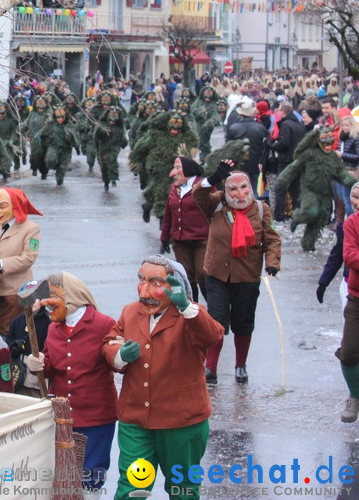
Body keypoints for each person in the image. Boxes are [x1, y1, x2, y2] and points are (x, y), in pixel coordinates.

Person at [103, 255, 223, 500]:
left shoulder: (192, 316)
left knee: (183, 490)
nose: (144, 290)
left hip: (181, 425)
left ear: (175, 287)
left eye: (155, 283)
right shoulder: (130, 312)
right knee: (132, 489)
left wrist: (186, 307)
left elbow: (212, 337)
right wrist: (119, 355)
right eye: (141, 280)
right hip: (136, 423)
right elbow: (109, 343)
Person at [24, 272, 116, 490]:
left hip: (96, 416)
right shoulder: (53, 328)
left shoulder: (104, 324)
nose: (46, 304)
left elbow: (116, 362)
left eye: (52, 297)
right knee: (64, 474)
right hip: (63, 416)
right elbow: (52, 366)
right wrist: (37, 363)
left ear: (71, 297)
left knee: (91, 474)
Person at [195, 160, 281, 384]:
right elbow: (198, 195)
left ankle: (240, 365)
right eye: (233, 188)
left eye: (244, 187)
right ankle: (211, 367)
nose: (240, 193)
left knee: (243, 322)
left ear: (250, 188)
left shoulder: (262, 210)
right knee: (217, 321)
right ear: (226, 191)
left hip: (247, 275)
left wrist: (272, 263)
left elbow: (272, 239)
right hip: (217, 274)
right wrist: (214, 178)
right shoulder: (216, 205)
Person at [0, 187, 42, 334]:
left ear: (15, 206)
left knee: (10, 331)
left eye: (2, 206)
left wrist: (1, 264)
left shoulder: (31, 229)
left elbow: (28, 257)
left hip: (15, 292)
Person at [160, 156, 209, 302]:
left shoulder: (203, 185)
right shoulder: (174, 188)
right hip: (180, 240)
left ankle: (215, 310)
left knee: (202, 274)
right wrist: (164, 238)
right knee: (186, 276)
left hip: (202, 239)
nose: (174, 172)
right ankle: (192, 309)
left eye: (177, 168)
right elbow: (168, 214)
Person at [266, 101, 304, 222]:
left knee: (280, 188)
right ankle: (296, 213)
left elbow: (284, 143)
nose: (278, 112)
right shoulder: (299, 124)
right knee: (295, 188)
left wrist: (270, 144)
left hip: (286, 160)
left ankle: (279, 215)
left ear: (284, 111)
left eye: (279, 110)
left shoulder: (286, 124)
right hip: (297, 160)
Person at [340, 184, 359, 422]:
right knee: (349, 353)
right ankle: (355, 396)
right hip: (357, 296)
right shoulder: (352, 223)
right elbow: (349, 255)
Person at [225, 99, 269, 183]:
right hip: (257, 164)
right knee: (257, 191)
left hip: (240, 164)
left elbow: (228, 148)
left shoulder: (233, 128)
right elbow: (266, 147)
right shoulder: (260, 128)